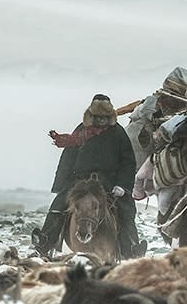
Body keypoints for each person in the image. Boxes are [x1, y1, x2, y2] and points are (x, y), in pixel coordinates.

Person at [31, 94, 147, 259]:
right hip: (80, 183)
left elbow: (128, 161)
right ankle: (44, 242)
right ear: (91, 116)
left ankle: (131, 248)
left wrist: (122, 185)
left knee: (125, 210)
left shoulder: (118, 133)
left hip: (109, 183)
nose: (101, 121)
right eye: (98, 117)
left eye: (104, 117)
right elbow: (68, 158)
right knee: (59, 205)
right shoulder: (81, 131)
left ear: (110, 117)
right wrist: (63, 185)